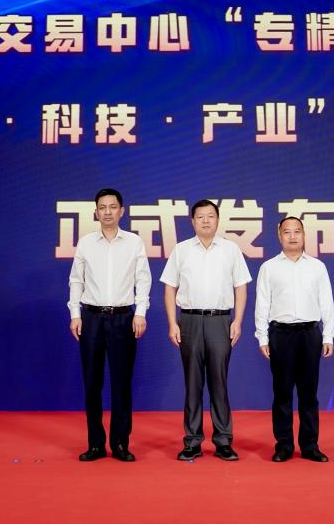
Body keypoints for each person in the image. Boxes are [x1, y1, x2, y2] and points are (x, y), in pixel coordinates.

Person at [161, 199, 251, 461]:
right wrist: (172, 323)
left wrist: (237, 321)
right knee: (192, 383)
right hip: (189, 320)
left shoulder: (231, 250)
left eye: (210, 216)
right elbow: (169, 288)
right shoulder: (181, 250)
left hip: (220, 321)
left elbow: (241, 287)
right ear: (192, 221)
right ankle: (192, 441)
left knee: (219, 382)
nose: (205, 221)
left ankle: (223, 441)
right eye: (200, 217)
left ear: (218, 219)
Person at [68, 187, 151, 462]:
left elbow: (143, 279)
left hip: (123, 318)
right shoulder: (86, 243)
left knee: (121, 382)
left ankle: (120, 443)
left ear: (121, 211)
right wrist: (75, 314)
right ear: (96, 212)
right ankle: (95, 444)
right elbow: (76, 280)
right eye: (102, 207)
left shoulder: (134, 242)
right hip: (91, 318)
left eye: (112, 207)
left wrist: (140, 313)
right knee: (92, 383)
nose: (107, 212)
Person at [254, 216, 334, 462]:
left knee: (309, 393)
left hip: (310, 334)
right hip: (281, 334)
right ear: (279, 236)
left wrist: (328, 334)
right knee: (282, 393)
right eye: (287, 232)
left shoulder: (317, 267)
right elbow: (262, 303)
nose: (292, 236)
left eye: (297, 231)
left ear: (304, 235)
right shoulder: (269, 267)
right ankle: (284, 445)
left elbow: (327, 302)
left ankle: (310, 445)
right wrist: (262, 337)